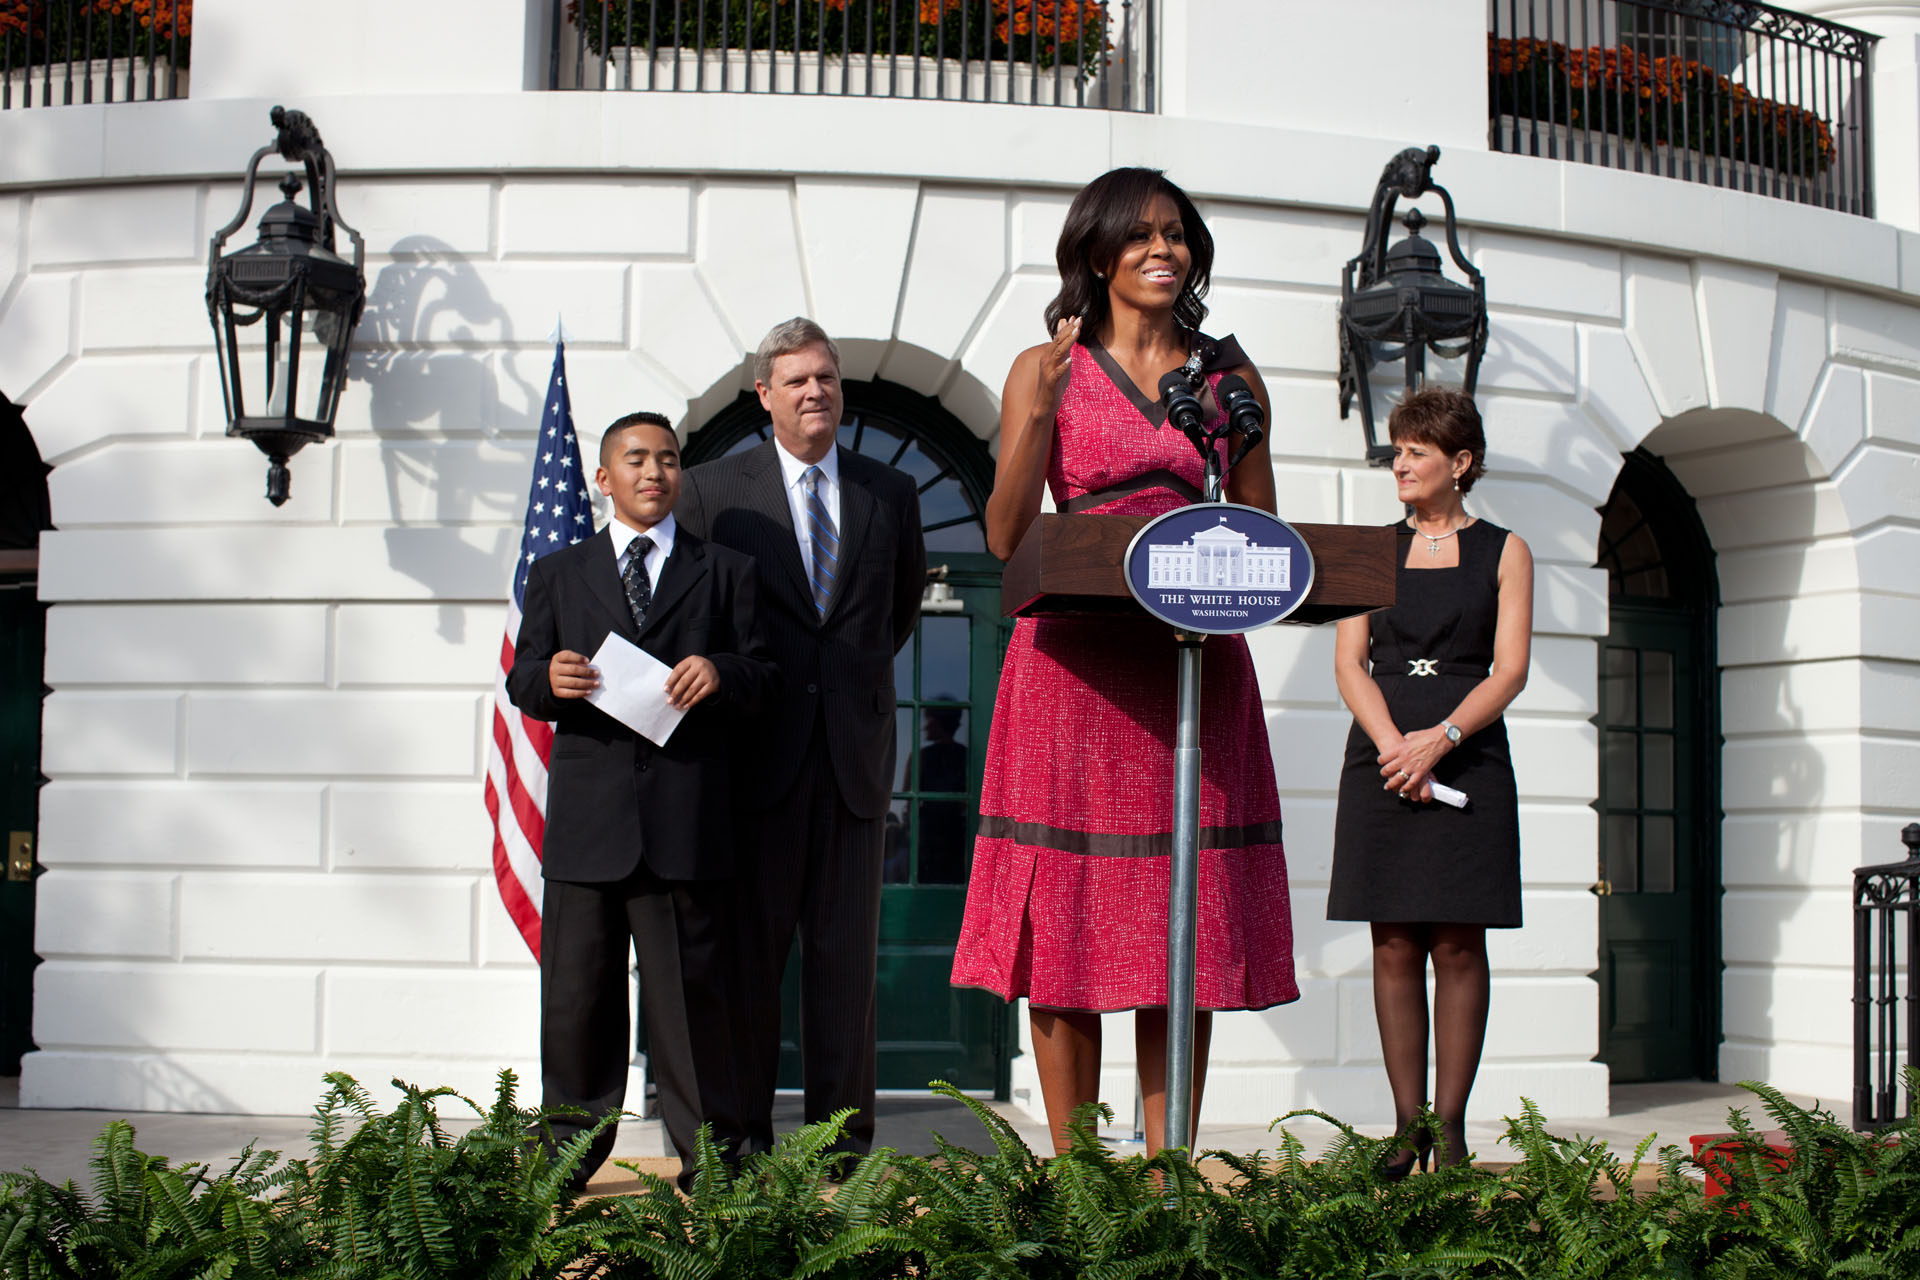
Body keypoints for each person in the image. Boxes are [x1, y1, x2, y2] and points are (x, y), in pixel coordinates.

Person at [949, 167, 1299, 1157]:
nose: (1164, 250)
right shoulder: (1042, 363)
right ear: (1098, 253)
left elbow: (1266, 533)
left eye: (1178, 234)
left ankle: (1165, 1177)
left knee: (1176, 912)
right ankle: (1078, 1179)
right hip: (1073, 666)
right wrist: (1037, 410)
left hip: (1193, 666)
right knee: (1068, 914)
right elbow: (1008, 528)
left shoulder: (1230, 374)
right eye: (1142, 235)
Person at [506, 411, 779, 1190]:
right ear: (604, 477)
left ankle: (713, 1167)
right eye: (636, 459)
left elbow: (766, 678)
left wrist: (723, 672)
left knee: (692, 1012)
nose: (654, 472)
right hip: (589, 830)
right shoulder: (559, 573)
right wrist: (546, 680)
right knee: (576, 1008)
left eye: (667, 459)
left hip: (686, 827)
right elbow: (524, 679)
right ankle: (565, 1162)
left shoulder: (725, 571)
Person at [677, 318, 925, 1161]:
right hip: (754, 765)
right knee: (748, 968)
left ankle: (840, 1149)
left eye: (826, 377)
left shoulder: (890, 494)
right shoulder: (712, 491)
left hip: (853, 768)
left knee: (844, 974)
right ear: (764, 396)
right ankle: (741, 1144)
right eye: (796, 380)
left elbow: (890, 620)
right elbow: (699, 615)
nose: (814, 391)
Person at [1326, 386, 1534, 1174]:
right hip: (1379, 755)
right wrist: (1394, 749)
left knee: (1457, 941)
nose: (1400, 463)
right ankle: (1405, 1123)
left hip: (1469, 753)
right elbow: (1350, 662)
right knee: (1391, 942)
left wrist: (1438, 742)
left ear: (1461, 462)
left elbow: (1508, 670)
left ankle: (1449, 1128)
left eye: (1416, 450)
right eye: (1398, 449)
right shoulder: (1367, 548)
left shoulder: (1505, 551)